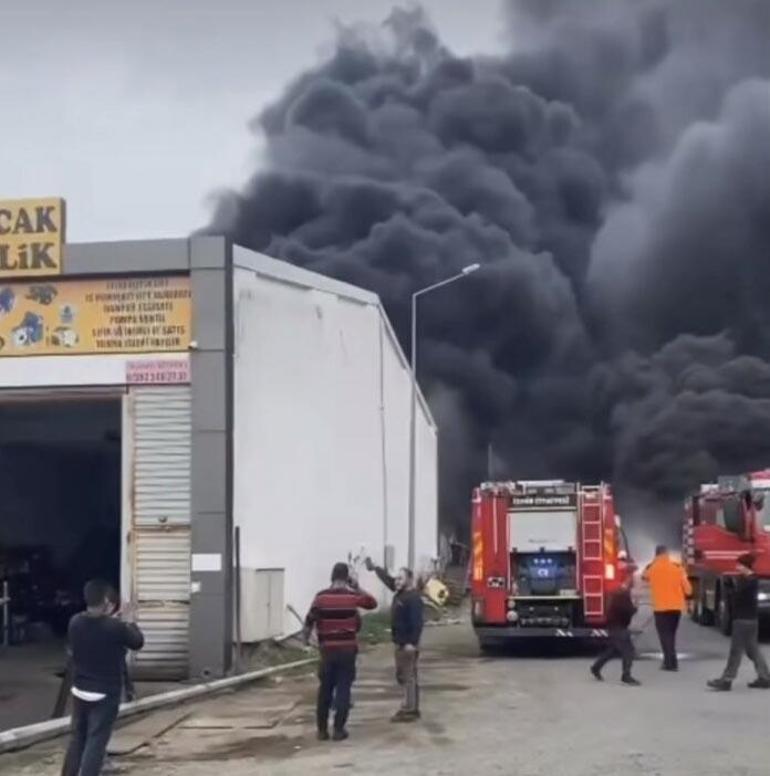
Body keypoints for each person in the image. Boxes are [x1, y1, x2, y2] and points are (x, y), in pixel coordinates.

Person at [62, 580, 144, 776]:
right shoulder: (115, 627)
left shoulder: (75, 622)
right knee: (96, 741)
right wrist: (130, 620)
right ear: (107, 601)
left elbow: (97, 630)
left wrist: (114, 621)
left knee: (77, 739)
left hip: (80, 690)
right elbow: (137, 642)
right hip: (104, 694)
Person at [304, 562, 377, 742]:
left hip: (327, 651)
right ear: (347, 578)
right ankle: (338, 729)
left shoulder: (320, 598)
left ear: (332, 576)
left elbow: (309, 620)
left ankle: (322, 731)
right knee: (344, 688)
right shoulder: (351, 597)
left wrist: (308, 641)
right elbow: (372, 603)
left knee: (325, 690)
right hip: (347, 650)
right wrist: (357, 587)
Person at [365, 558, 424, 722]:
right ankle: (411, 706)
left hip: (407, 645)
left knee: (408, 676)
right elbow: (389, 580)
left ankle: (409, 709)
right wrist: (375, 568)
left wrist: (411, 643)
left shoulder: (412, 599)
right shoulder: (401, 593)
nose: (397, 582)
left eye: (401, 579)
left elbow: (417, 623)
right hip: (400, 643)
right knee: (404, 676)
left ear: (409, 580)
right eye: (397, 579)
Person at [708, 554, 770, 691]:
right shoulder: (751, 580)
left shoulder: (749, 581)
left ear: (745, 566)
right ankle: (764, 677)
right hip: (751, 620)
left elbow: (738, 597)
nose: (737, 568)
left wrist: (730, 589)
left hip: (742, 620)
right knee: (753, 650)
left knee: (735, 651)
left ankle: (726, 680)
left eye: (739, 565)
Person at [643, 545, 692, 671]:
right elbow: (688, 590)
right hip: (676, 608)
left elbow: (644, 576)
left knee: (665, 636)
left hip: (660, 608)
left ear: (656, 554)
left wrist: (653, 562)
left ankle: (671, 663)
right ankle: (669, 661)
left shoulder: (653, 568)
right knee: (671, 635)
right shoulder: (678, 568)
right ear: (667, 554)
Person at [591, 576, 641, 686]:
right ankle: (626, 676)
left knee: (614, 650)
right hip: (619, 626)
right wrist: (634, 608)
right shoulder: (622, 595)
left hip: (614, 625)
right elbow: (625, 611)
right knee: (628, 650)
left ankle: (596, 667)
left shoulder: (616, 593)